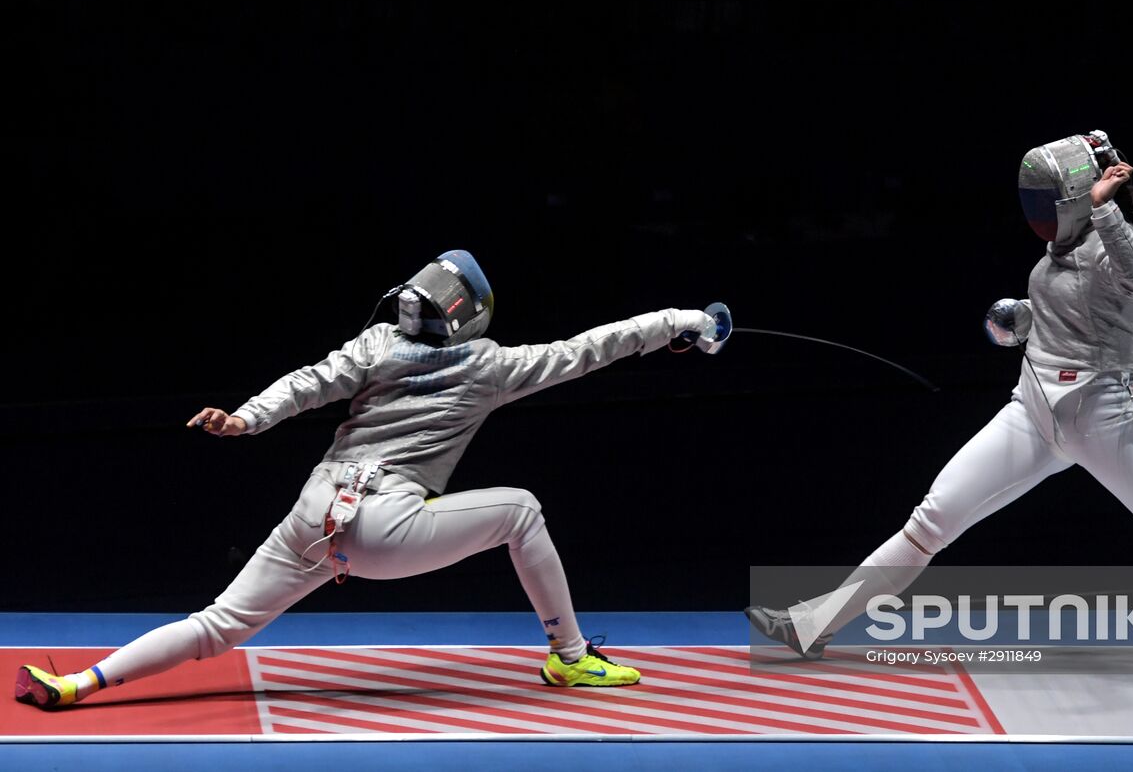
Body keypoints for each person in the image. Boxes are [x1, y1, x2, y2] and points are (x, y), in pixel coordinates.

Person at [747, 131, 1133, 666]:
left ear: (1077, 199)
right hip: (1033, 411)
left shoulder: (1109, 241)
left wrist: (1103, 211)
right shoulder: (1060, 251)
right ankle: (814, 628)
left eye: (1046, 202)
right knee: (930, 522)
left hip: (1106, 419)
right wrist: (1022, 321)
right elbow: (1070, 316)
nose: (1036, 214)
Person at [16, 250, 728, 710]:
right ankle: (570, 658)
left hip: (316, 512)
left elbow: (309, 382)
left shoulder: (376, 344)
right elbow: (590, 348)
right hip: (387, 528)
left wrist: (245, 419)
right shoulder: (491, 367)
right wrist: (685, 321)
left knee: (217, 624)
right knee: (523, 511)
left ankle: (80, 682)